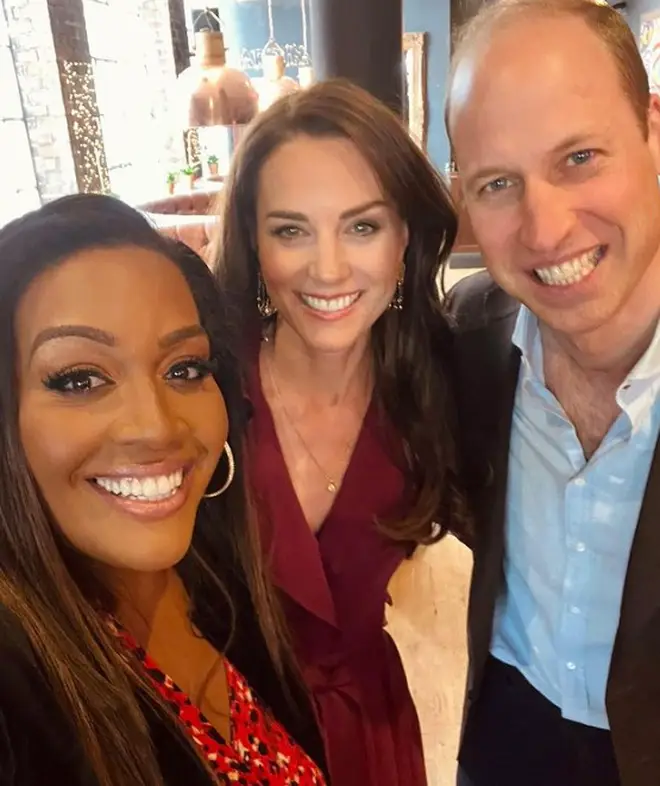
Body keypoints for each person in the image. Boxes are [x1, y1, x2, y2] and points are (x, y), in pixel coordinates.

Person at [0, 193, 327, 785]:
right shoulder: (17, 679)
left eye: (184, 369)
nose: (155, 426)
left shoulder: (219, 578)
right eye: (79, 378)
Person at [212, 79, 468, 786]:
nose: (327, 268)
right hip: (235, 739)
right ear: (253, 242)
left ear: (405, 237)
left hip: (378, 741)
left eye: (362, 226)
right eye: (291, 230)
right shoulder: (203, 390)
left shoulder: (438, 385)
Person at [445, 1, 660, 785]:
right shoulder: (468, 337)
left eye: (579, 158)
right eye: (498, 182)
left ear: (654, 130)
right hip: (504, 729)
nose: (544, 228)